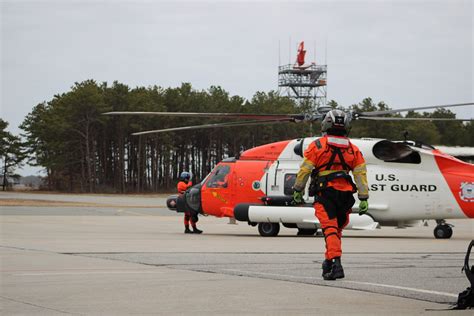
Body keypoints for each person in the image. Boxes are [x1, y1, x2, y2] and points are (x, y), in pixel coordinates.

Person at [292, 110, 369, 280]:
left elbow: (305, 170)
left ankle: (336, 263)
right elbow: (361, 175)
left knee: (330, 229)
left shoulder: (317, 146)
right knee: (334, 231)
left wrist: (298, 190)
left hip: (325, 193)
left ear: (326, 124)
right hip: (346, 196)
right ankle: (328, 261)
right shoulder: (353, 149)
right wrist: (364, 198)